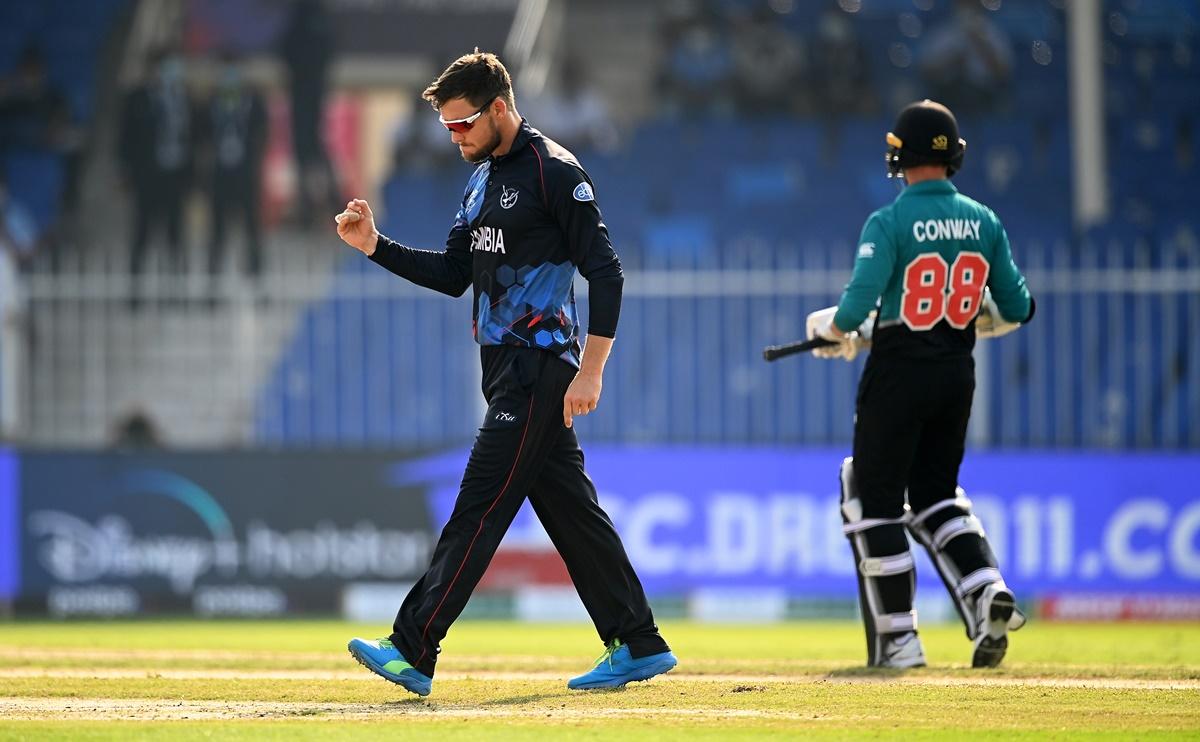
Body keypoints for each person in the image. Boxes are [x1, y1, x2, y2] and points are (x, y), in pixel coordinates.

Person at [336, 51, 676, 697]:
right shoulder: (481, 179)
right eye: (446, 129)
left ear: (498, 107)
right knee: (574, 515)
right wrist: (375, 247)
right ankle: (637, 640)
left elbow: (606, 272)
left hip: (540, 368)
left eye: (463, 124)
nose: (455, 138)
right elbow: (452, 275)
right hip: (504, 368)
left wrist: (591, 372)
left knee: (478, 506)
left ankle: (413, 646)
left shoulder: (555, 172)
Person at [806, 100, 1034, 669]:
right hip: (957, 373)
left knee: (870, 493)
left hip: (899, 372)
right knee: (937, 495)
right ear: (954, 155)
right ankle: (986, 594)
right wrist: (963, 316)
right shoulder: (985, 220)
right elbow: (1018, 307)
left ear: (897, 156)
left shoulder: (888, 221)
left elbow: (859, 304)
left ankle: (900, 642)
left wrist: (836, 332)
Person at [118, 48, 196, 287]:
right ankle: (135, 289)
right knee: (142, 232)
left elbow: (191, 138)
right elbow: (125, 139)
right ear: (153, 70)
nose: (171, 72)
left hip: (174, 177)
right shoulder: (137, 98)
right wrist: (124, 171)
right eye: (165, 67)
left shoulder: (183, 99)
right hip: (147, 177)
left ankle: (176, 287)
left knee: (175, 234)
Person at [202, 52, 268, 293]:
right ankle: (213, 286)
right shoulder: (211, 101)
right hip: (220, 177)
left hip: (246, 177)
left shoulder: (253, 101)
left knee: (252, 230)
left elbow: (262, 133)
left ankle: (257, 282)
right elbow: (202, 137)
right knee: (217, 232)